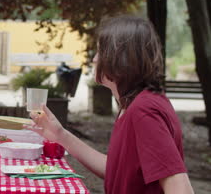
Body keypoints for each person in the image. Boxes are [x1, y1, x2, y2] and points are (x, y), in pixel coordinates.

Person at [28, 15, 194, 194]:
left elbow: (180, 188)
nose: (94, 60)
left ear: (121, 59)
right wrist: (60, 135)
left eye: (100, 52)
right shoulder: (132, 105)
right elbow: (116, 171)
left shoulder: (144, 110)